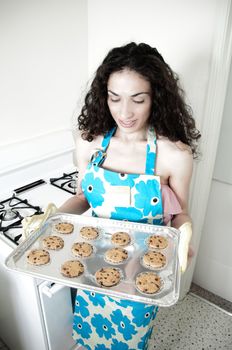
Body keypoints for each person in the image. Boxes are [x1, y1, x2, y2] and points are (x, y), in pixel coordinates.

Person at [24, 42, 201, 349]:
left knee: (129, 340)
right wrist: (53, 219)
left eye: (138, 99)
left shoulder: (174, 154)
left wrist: (185, 232)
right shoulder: (89, 144)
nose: (125, 112)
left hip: (139, 277)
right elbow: (83, 197)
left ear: (156, 98)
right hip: (92, 267)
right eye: (114, 98)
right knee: (89, 336)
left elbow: (180, 213)